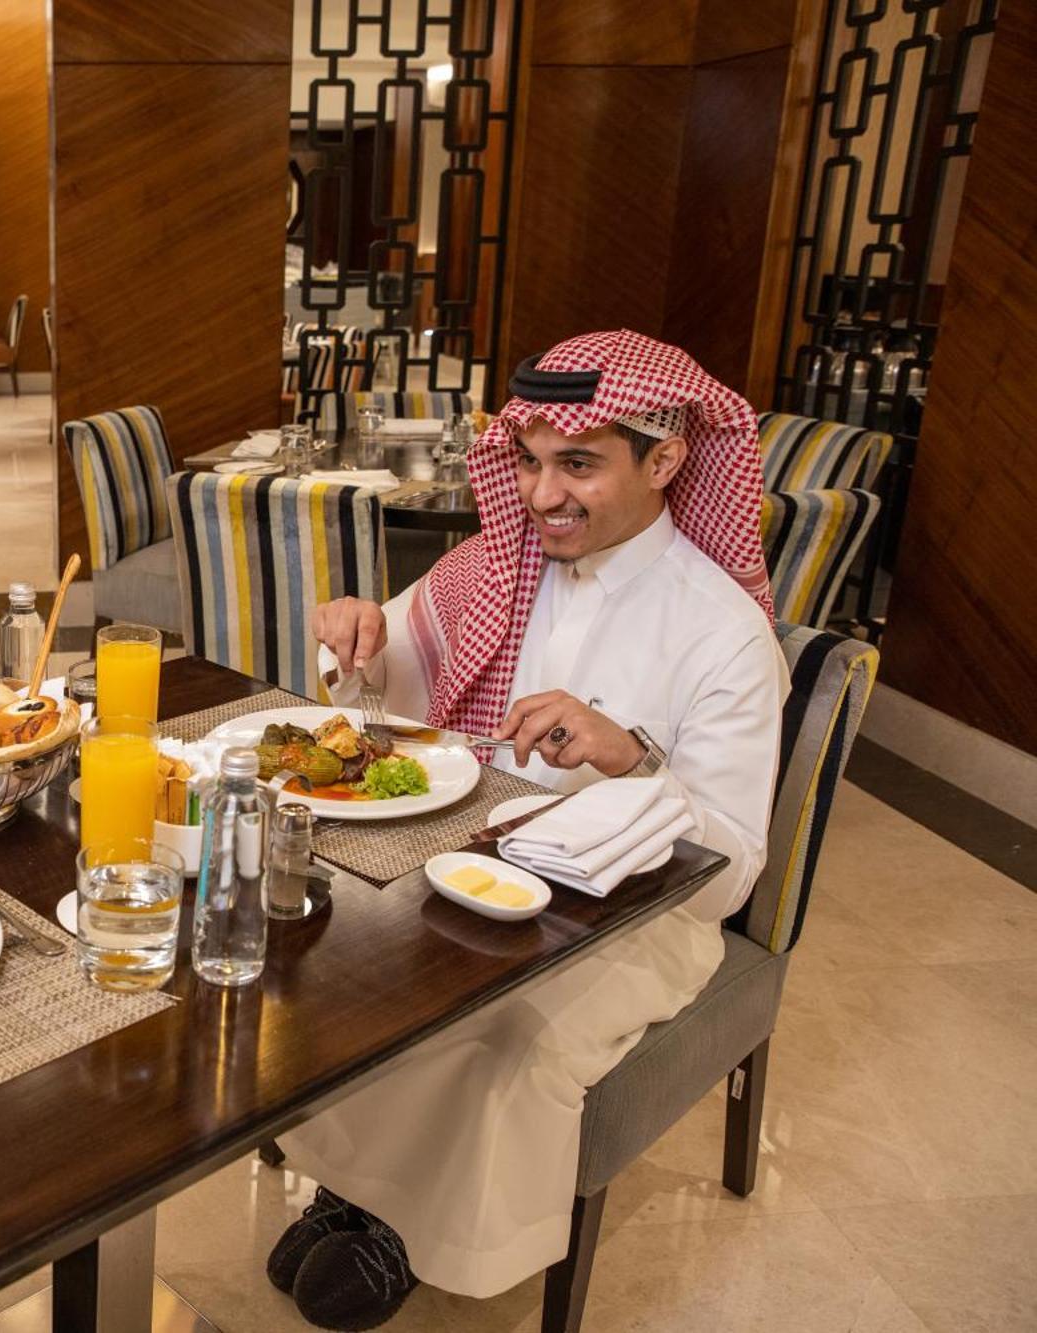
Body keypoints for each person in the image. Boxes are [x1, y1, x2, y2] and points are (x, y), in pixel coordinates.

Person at [270, 331, 789, 1329]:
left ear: (666, 459)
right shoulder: (495, 563)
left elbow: (726, 868)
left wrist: (629, 759)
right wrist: (357, 639)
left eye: (578, 465)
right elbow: (390, 688)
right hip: (473, 861)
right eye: (527, 459)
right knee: (343, 945)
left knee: (500, 1034)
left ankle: (407, 1230)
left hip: (638, 915)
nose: (540, 494)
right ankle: (351, 1178)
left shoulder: (722, 632)